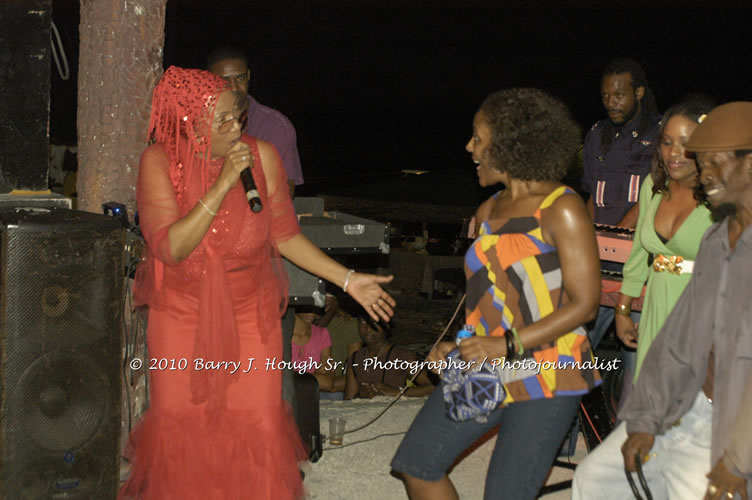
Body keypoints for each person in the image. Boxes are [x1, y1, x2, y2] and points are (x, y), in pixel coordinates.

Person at [120, 66, 395, 500]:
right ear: (189, 122)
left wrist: (349, 280)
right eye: (223, 120)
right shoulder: (158, 162)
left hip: (250, 315)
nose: (236, 129)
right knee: (186, 432)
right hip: (181, 316)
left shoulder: (263, 156)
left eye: (238, 117)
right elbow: (170, 247)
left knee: (259, 425)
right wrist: (223, 182)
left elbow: (284, 235)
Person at [390, 88, 602, 500]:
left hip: (548, 370)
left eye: (478, 138)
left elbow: (585, 304)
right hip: (486, 363)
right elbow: (490, 304)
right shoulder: (487, 212)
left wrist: (506, 343)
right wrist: (459, 345)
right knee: (416, 464)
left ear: (509, 144)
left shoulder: (562, 207)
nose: (469, 147)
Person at [576, 101, 752, 500]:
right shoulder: (707, 233)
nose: (701, 170)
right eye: (668, 143)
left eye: (712, 159)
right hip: (680, 379)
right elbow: (679, 331)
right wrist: (645, 417)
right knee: (597, 477)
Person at [582, 58, 662, 383]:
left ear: (639, 92)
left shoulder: (661, 133)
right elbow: (591, 194)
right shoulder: (596, 134)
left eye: (619, 95)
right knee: (573, 352)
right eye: (605, 96)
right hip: (597, 264)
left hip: (638, 264)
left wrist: (614, 239)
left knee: (636, 362)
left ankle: (630, 428)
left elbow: (653, 197)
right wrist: (587, 240)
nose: (611, 103)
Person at [207, 46, 302, 199]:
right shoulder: (199, 125)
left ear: (249, 75)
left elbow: (285, 195)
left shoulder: (275, 126)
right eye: (224, 81)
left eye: (240, 78)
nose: (234, 88)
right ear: (207, 81)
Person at [343, 315, 434, 400]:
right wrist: (360, 395)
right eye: (363, 322)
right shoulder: (356, 358)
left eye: (375, 323)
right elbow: (348, 401)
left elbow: (431, 388)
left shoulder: (401, 356)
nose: (367, 328)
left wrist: (397, 392)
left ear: (386, 325)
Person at [317, 292, 362, 393]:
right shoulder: (297, 323)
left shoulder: (347, 325)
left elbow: (355, 373)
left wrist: (327, 385)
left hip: (331, 391)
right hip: (303, 388)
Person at [291, 309, 335, 391]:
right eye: (308, 303)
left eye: (316, 304)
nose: (312, 310)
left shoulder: (322, 334)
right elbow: (279, 380)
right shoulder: (280, 334)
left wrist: (295, 379)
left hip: (314, 398)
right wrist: (314, 376)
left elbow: (328, 383)